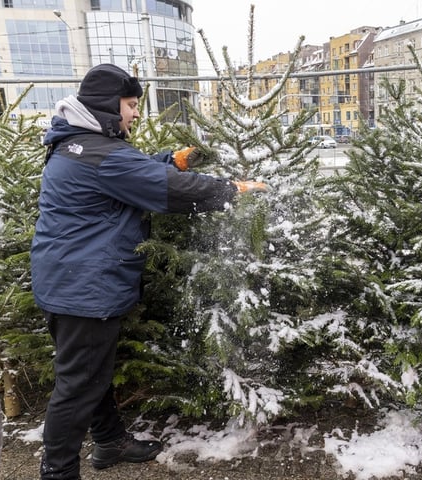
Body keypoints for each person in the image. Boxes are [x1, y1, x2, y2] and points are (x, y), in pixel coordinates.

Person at [30, 63, 265, 480]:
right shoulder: (99, 152)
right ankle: (57, 473)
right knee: (78, 385)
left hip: (67, 281)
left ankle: (108, 442)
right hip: (84, 289)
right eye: (131, 104)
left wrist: (170, 159)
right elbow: (164, 189)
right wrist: (229, 190)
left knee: (90, 372)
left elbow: (130, 169)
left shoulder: (81, 142)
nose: (136, 113)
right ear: (108, 104)